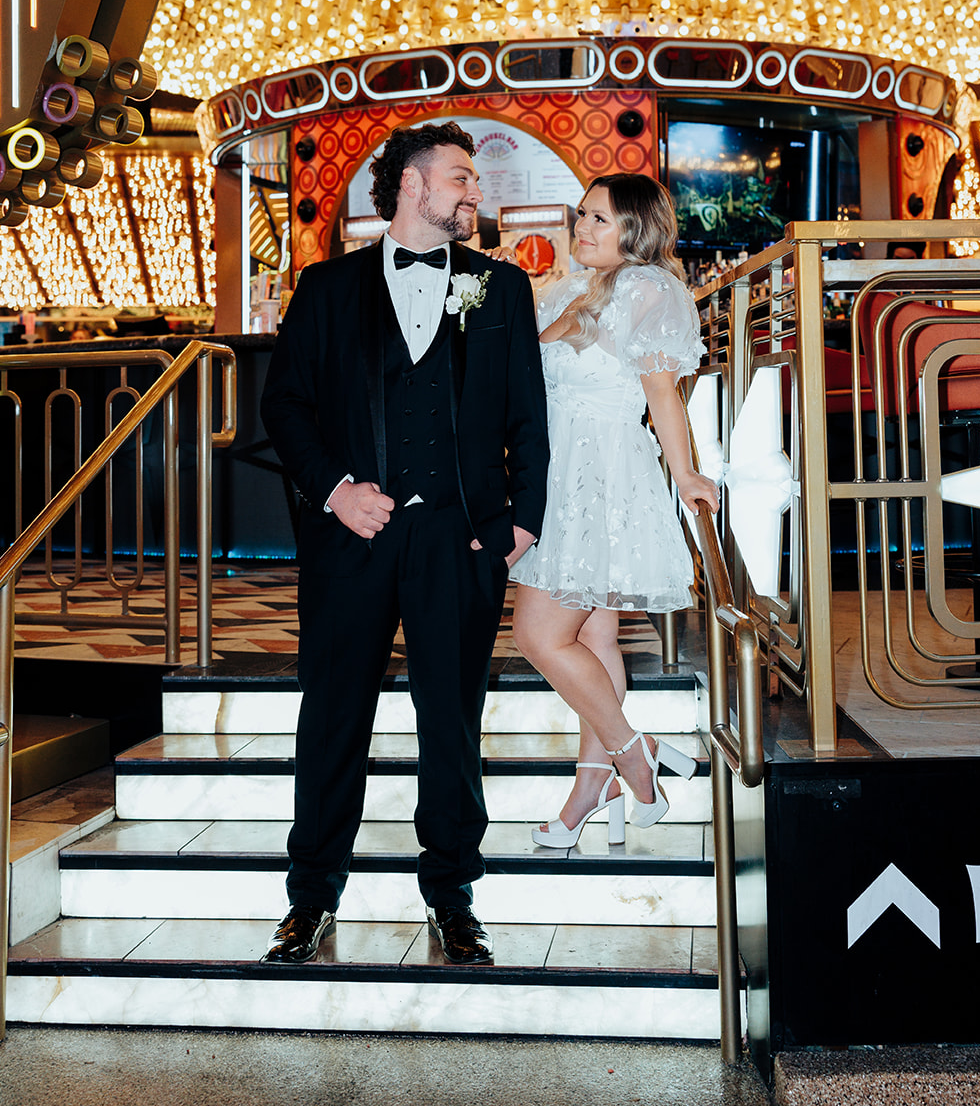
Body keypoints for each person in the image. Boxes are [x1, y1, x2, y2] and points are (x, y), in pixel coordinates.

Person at [260, 121, 548, 966]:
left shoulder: (500, 288)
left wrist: (518, 523)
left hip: (460, 542)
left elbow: (527, 413)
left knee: (452, 719)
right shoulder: (324, 288)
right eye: (462, 176)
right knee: (334, 716)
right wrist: (336, 492)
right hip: (352, 538)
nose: (475, 191)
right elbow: (286, 408)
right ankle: (310, 898)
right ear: (414, 186)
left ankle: (453, 897)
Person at [512, 173, 719, 847]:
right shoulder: (571, 288)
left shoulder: (649, 289)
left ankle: (635, 751)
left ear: (636, 228)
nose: (582, 228)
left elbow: (663, 392)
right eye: (582, 216)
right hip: (559, 470)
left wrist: (686, 471)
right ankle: (590, 786)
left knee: (541, 637)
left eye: (599, 219)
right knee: (594, 638)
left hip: (600, 474)